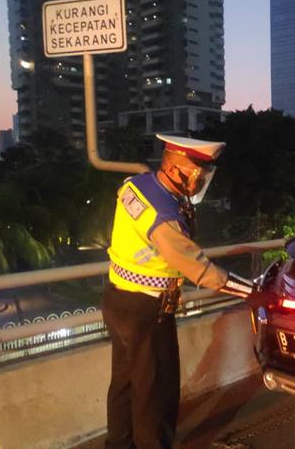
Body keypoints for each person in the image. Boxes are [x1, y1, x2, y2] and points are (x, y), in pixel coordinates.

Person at [101, 134, 251, 449]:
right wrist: (254, 291)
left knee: (126, 384)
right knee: (156, 393)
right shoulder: (164, 216)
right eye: (199, 174)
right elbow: (200, 269)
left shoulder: (137, 185)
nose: (202, 182)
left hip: (118, 300)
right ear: (177, 168)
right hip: (147, 310)